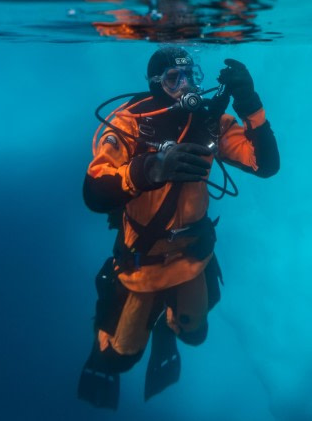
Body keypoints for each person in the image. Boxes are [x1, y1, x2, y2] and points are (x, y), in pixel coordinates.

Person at [77, 46, 279, 410]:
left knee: (195, 335)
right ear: (155, 83)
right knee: (122, 355)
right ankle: (107, 342)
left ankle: (168, 328)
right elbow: (94, 191)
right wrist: (151, 169)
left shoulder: (208, 121)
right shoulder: (129, 122)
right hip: (142, 265)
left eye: (191, 76)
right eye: (174, 79)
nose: (185, 86)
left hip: (192, 258)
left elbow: (264, 164)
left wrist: (250, 104)